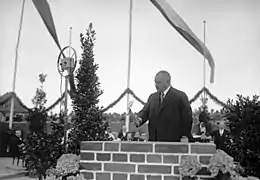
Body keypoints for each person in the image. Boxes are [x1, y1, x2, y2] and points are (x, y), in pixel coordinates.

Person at [134, 70, 193, 142]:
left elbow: (187, 118)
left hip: (173, 142)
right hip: (154, 142)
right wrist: (140, 119)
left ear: (167, 82)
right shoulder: (153, 97)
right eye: (155, 82)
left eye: (158, 82)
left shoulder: (180, 96)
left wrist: (185, 135)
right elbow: (145, 112)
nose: (156, 85)